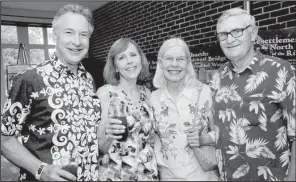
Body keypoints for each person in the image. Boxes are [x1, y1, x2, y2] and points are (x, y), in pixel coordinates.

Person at [1, 4, 101, 181]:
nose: (77, 42)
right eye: (69, 32)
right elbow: (4, 139)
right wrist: (41, 170)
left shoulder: (88, 79)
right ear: (55, 35)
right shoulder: (29, 79)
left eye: (83, 34)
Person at [210, 8, 295, 181]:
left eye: (237, 31)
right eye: (223, 34)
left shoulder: (281, 70)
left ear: (253, 33)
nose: (230, 39)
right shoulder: (218, 76)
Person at [149, 37, 218, 181]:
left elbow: (223, 133)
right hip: (168, 177)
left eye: (180, 59)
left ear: (188, 63)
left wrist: (203, 139)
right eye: (169, 58)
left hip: (203, 176)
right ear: (160, 63)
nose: (174, 64)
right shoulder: (152, 99)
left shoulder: (204, 92)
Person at [96, 38, 158, 181]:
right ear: (115, 66)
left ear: (141, 60)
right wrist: (108, 134)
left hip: (147, 174)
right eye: (122, 57)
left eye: (133, 55)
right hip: (115, 175)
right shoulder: (106, 93)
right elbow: (99, 147)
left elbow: (153, 140)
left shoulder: (147, 94)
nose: (129, 61)